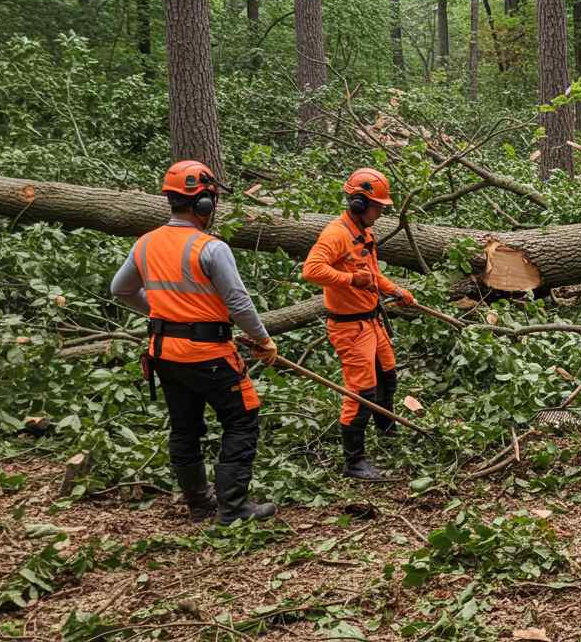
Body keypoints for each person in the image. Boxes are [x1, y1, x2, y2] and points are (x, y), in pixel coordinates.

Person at [110, 160, 279, 524]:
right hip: (210, 356)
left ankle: (200, 504)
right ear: (204, 204)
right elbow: (238, 302)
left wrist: (162, 314)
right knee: (241, 419)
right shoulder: (210, 248)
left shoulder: (145, 244)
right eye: (212, 201)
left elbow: (120, 289)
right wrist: (263, 340)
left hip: (165, 354)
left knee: (184, 426)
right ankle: (232, 508)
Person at [301, 168, 421, 480]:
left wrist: (395, 290)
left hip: (372, 322)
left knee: (387, 376)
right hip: (350, 328)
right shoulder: (336, 234)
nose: (380, 213)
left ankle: (387, 433)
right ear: (358, 203)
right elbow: (312, 270)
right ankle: (354, 462)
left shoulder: (363, 233)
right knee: (361, 392)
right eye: (378, 207)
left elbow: (371, 273)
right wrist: (351, 279)